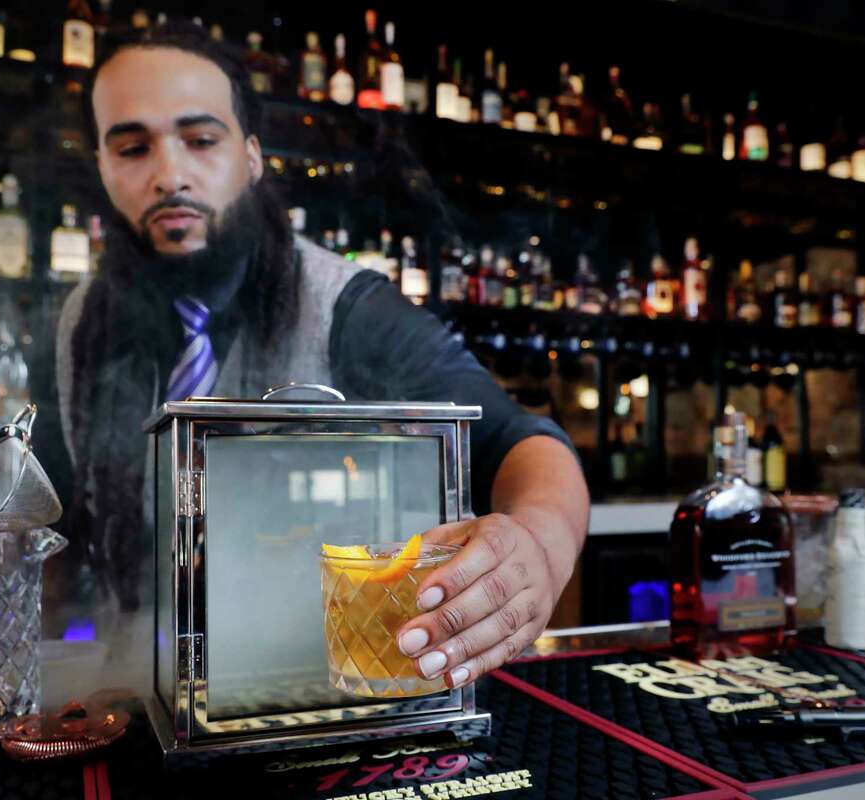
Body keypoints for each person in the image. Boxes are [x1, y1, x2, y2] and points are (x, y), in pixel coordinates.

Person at [42, 20, 590, 691]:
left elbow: (524, 443)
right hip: (133, 695)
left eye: (200, 140)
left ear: (250, 156)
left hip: (321, 698)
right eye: (132, 148)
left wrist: (537, 547)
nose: (169, 174)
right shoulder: (80, 324)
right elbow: (55, 523)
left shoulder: (343, 305)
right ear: (101, 166)